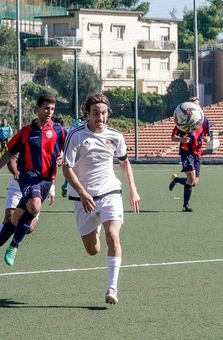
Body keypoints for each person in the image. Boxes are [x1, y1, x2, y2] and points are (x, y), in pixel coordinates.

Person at [62, 93, 141, 305]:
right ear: (87, 113)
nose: (100, 117)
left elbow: (124, 163)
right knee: (93, 250)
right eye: (95, 113)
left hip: (110, 192)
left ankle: (112, 288)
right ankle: (95, 226)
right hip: (83, 198)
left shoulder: (115, 136)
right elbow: (66, 168)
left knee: (113, 237)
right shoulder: (76, 136)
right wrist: (82, 192)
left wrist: (133, 189)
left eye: (104, 113)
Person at [0, 94, 67, 269]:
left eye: (52, 108)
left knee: (16, 219)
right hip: (27, 176)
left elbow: (69, 150)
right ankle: (14, 246)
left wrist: (64, 157)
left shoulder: (59, 131)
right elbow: (9, 151)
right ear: (37, 109)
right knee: (34, 207)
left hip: (46, 180)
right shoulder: (26, 131)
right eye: (46, 108)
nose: (49, 112)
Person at [168, 97, 210, 212]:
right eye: (193, 105)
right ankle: (185, 205)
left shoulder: (204, 121)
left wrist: (207, 138)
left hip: (197, 153)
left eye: (198, 105)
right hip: (186, 152)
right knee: (191, 177)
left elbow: (207, 135)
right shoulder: (182, 121)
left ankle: (176, 180)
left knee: (194, 182)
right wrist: (181, 139)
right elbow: (173, 138)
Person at [61, 112, 87, 197]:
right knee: (70, 167)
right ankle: (66, 186)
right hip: (76, 147)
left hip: (86, 148)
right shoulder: (78, 121)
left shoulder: (93, 120)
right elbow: (72, 131)